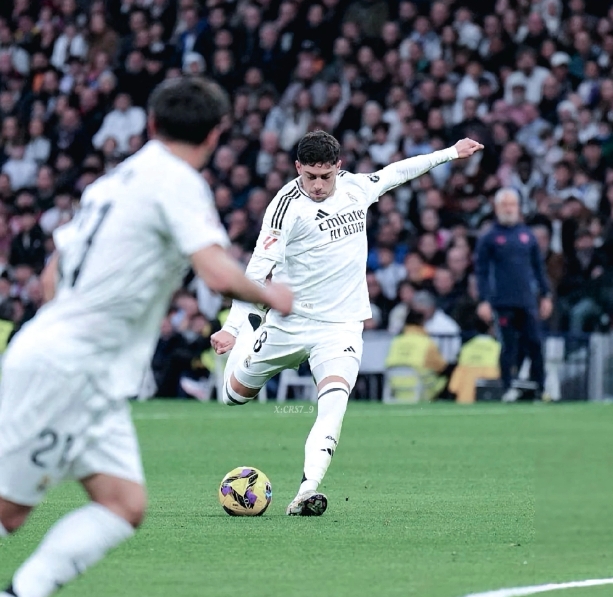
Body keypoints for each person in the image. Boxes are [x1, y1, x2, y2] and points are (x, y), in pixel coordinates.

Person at [0, 76, 292, 597]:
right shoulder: (177, 181)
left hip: (88, 372)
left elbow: (50, 279)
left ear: (152, 124)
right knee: (10, 512)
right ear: (216, 135)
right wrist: (277, 297)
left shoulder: (112, 181)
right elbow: (218, 273)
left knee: (123, 505)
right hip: (68, 369)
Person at [211, 129, 483, 516]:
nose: (318, 186)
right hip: (289, 324)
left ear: (339, 168)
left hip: (339, 326)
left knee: (335, 400)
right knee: (234, 395)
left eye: (326, 176)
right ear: (297, 168)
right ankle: (249, 343)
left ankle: (306, 491)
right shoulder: (285, 208)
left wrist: (450, 153)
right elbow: (258, 270)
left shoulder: (356, 188)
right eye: (310, 177)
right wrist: (233, 328)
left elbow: (397, 172)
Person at [475, 188, 552, 401]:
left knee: (535, 343)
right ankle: (507, 386)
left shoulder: (528, 236)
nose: (509, 209)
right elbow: (481, 271)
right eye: (505, 205)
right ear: (497, 208)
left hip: (526, 300)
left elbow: (538, 268)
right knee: (508, 345)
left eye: (512, 205)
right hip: (502, 301)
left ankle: (540, 387)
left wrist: (546, 294)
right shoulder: (489, 237)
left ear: (518, 207)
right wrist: (483, 300)